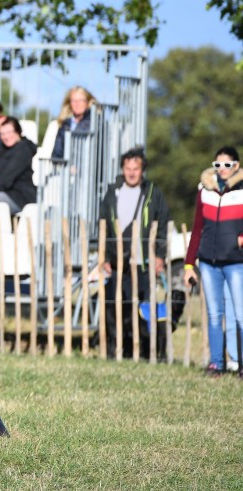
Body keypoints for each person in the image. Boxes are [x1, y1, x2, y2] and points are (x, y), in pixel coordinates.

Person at [98, 147, 171, 360]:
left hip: (143, 261)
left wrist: (159, 255)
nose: (131, 172)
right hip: (118, 260)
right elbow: (102, 223)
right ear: (122, 169)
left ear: (142, 170)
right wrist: (104, 256)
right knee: (115, 307)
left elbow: (163, 223)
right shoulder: (112, 193)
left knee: (143, 307)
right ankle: (115, 349)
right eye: (127, 168)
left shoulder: (153, 193)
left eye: (136, 169)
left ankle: (146, 349)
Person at [183, 146, 243, 377]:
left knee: (240, 315)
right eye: (218, 165)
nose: (222, 170)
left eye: (227, 165)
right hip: (209, 262)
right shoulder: (204, 190)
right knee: (215, 314)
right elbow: (197, 229)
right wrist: (189, 264)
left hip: (236, 262)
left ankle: (240, 364)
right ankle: (216, 364)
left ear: (236, 166)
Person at [0, 117, 37, 216]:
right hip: (3, 192)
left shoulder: (23, 150)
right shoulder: (3, 148)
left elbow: (6, 180)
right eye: (2, 133)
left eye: (9, 132)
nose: (6, 137)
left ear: (18, 131)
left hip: (19, 197)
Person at [51, 85, 97, 160]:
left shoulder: (94, 123)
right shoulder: (64, 124)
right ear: (69, 103)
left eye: (80, 100)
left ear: (87, 102)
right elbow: (57, 152)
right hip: (65, 169)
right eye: (74, 101)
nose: (77, 104)